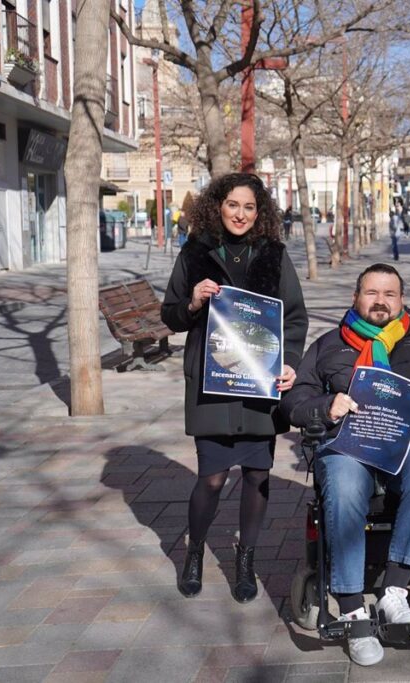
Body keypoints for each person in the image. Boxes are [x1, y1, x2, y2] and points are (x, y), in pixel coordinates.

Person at [282, 263, 410, 666]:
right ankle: (353, 607)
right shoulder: (328, 345)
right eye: (371, 293)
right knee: (342, 482)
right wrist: (326, 405)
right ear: (356, 298)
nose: (380, 301)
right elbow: (294, 403)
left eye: (389, 294)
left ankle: (394, 591)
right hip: (348, 447)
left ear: (402, 300)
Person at [161, 173, 309, 603]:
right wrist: (192, 302)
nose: (240, 214)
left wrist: (290, 363)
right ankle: (194, 552)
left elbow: (295, 317)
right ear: (217, 207)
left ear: (258, 212)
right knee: (211, 478)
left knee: (257, 475)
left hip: (259, 384)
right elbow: (170, 315)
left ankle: (246, 558)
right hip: (213, 383)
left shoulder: (274, 255)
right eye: (232, 205)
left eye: (249, 207)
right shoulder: (195, 252)